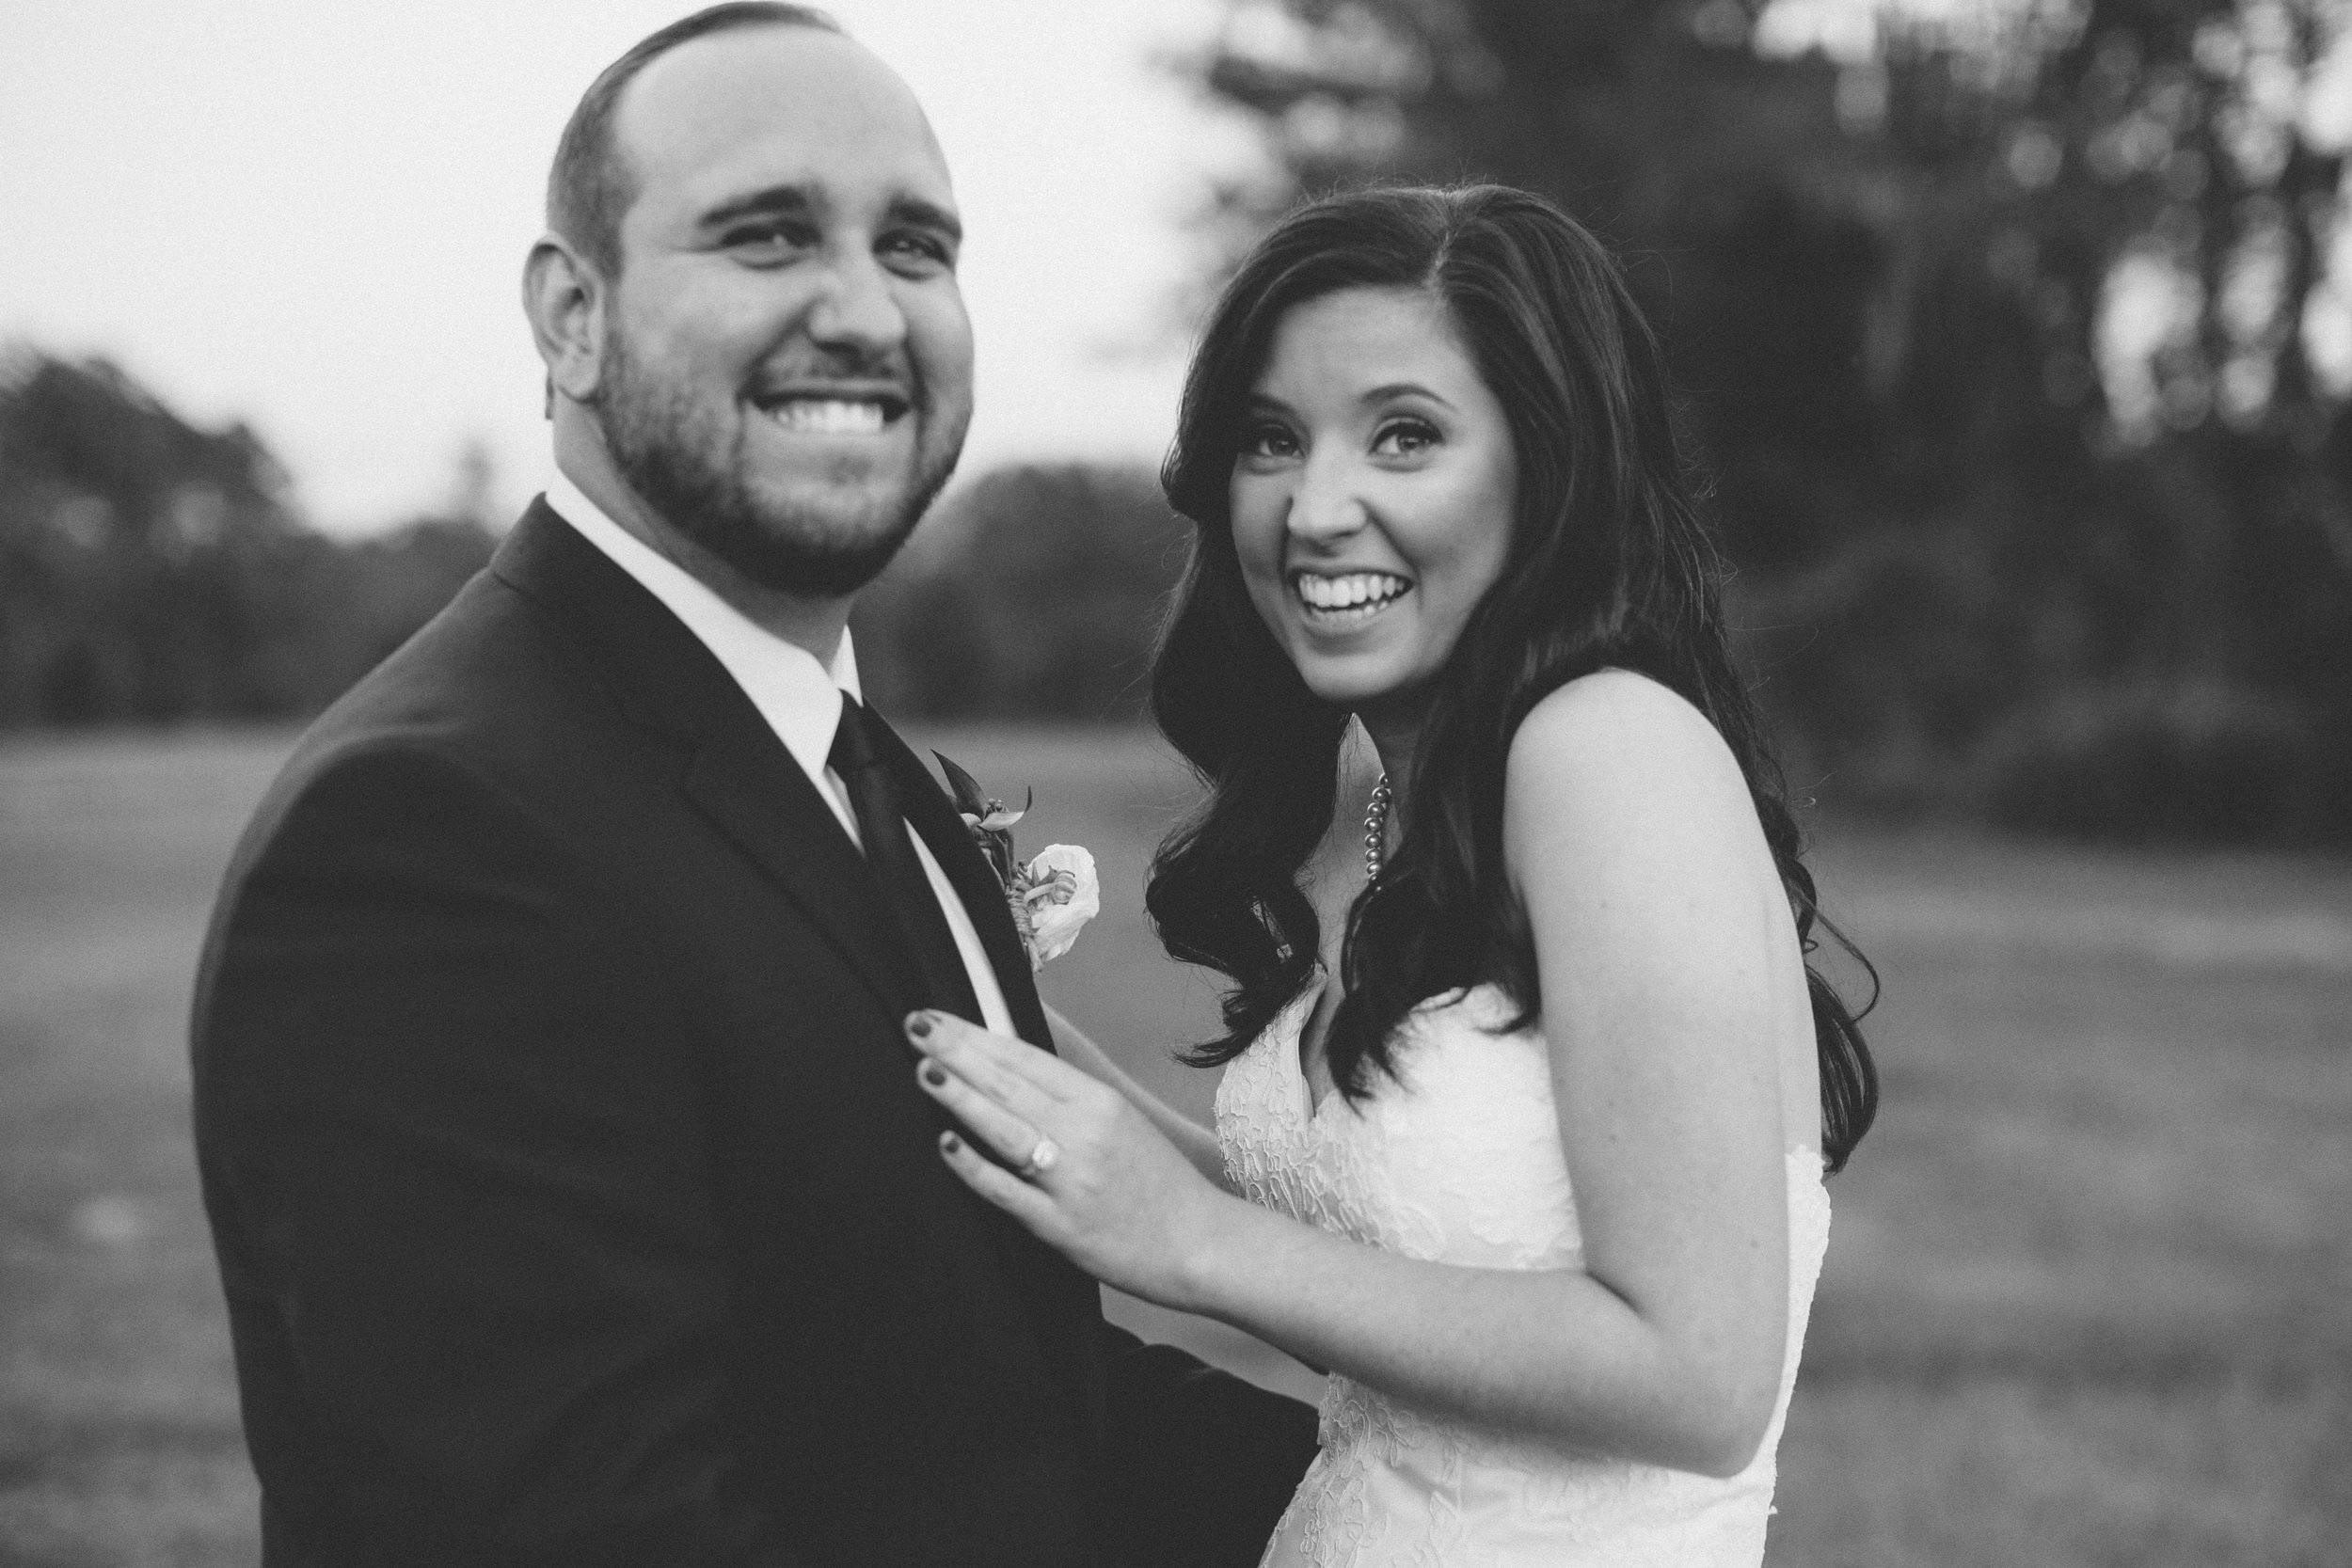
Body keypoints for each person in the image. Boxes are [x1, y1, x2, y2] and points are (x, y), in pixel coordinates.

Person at [186, 7, 1316, 1565]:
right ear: (570, 316)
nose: (864, 308)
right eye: (768, 235)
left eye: (917, 247)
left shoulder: (869, 773)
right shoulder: (430, 843)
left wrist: (1442, 1523)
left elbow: (981, 1400)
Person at [906, 184, 1880, 1566]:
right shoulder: (1388, 801)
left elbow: (1698, 1376)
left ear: (1548, 466)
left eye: (1404, 436)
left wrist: (1187, 1242)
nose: (1315, 509)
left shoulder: (1608, 749)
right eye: (1270, 440)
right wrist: (1023, 1050)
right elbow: (1380, 1258)